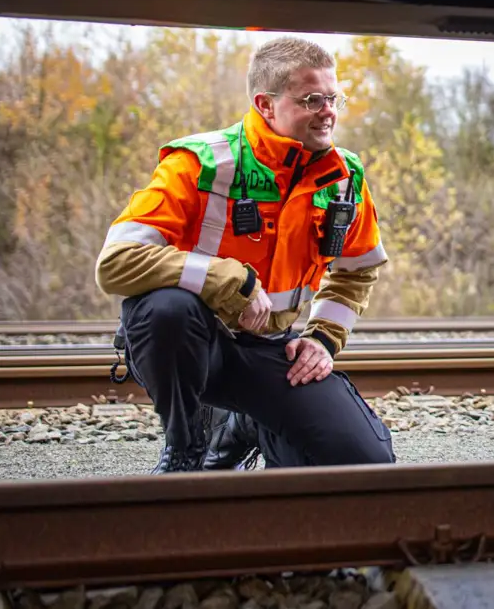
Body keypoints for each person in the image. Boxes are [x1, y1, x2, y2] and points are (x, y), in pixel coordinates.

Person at [96, 36, 396, 472]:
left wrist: (323, 338)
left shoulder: (344, 176)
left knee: (363, 462)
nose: (328, 110)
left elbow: (358, 269)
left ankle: (244, 426)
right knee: (167, 309)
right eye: (312, 99)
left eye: (333, 97)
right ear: (266, 105)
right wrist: (220, 278)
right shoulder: (200, 163)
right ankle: (186, 449)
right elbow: (115, 263)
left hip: (271, 349)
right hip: (198, 347)